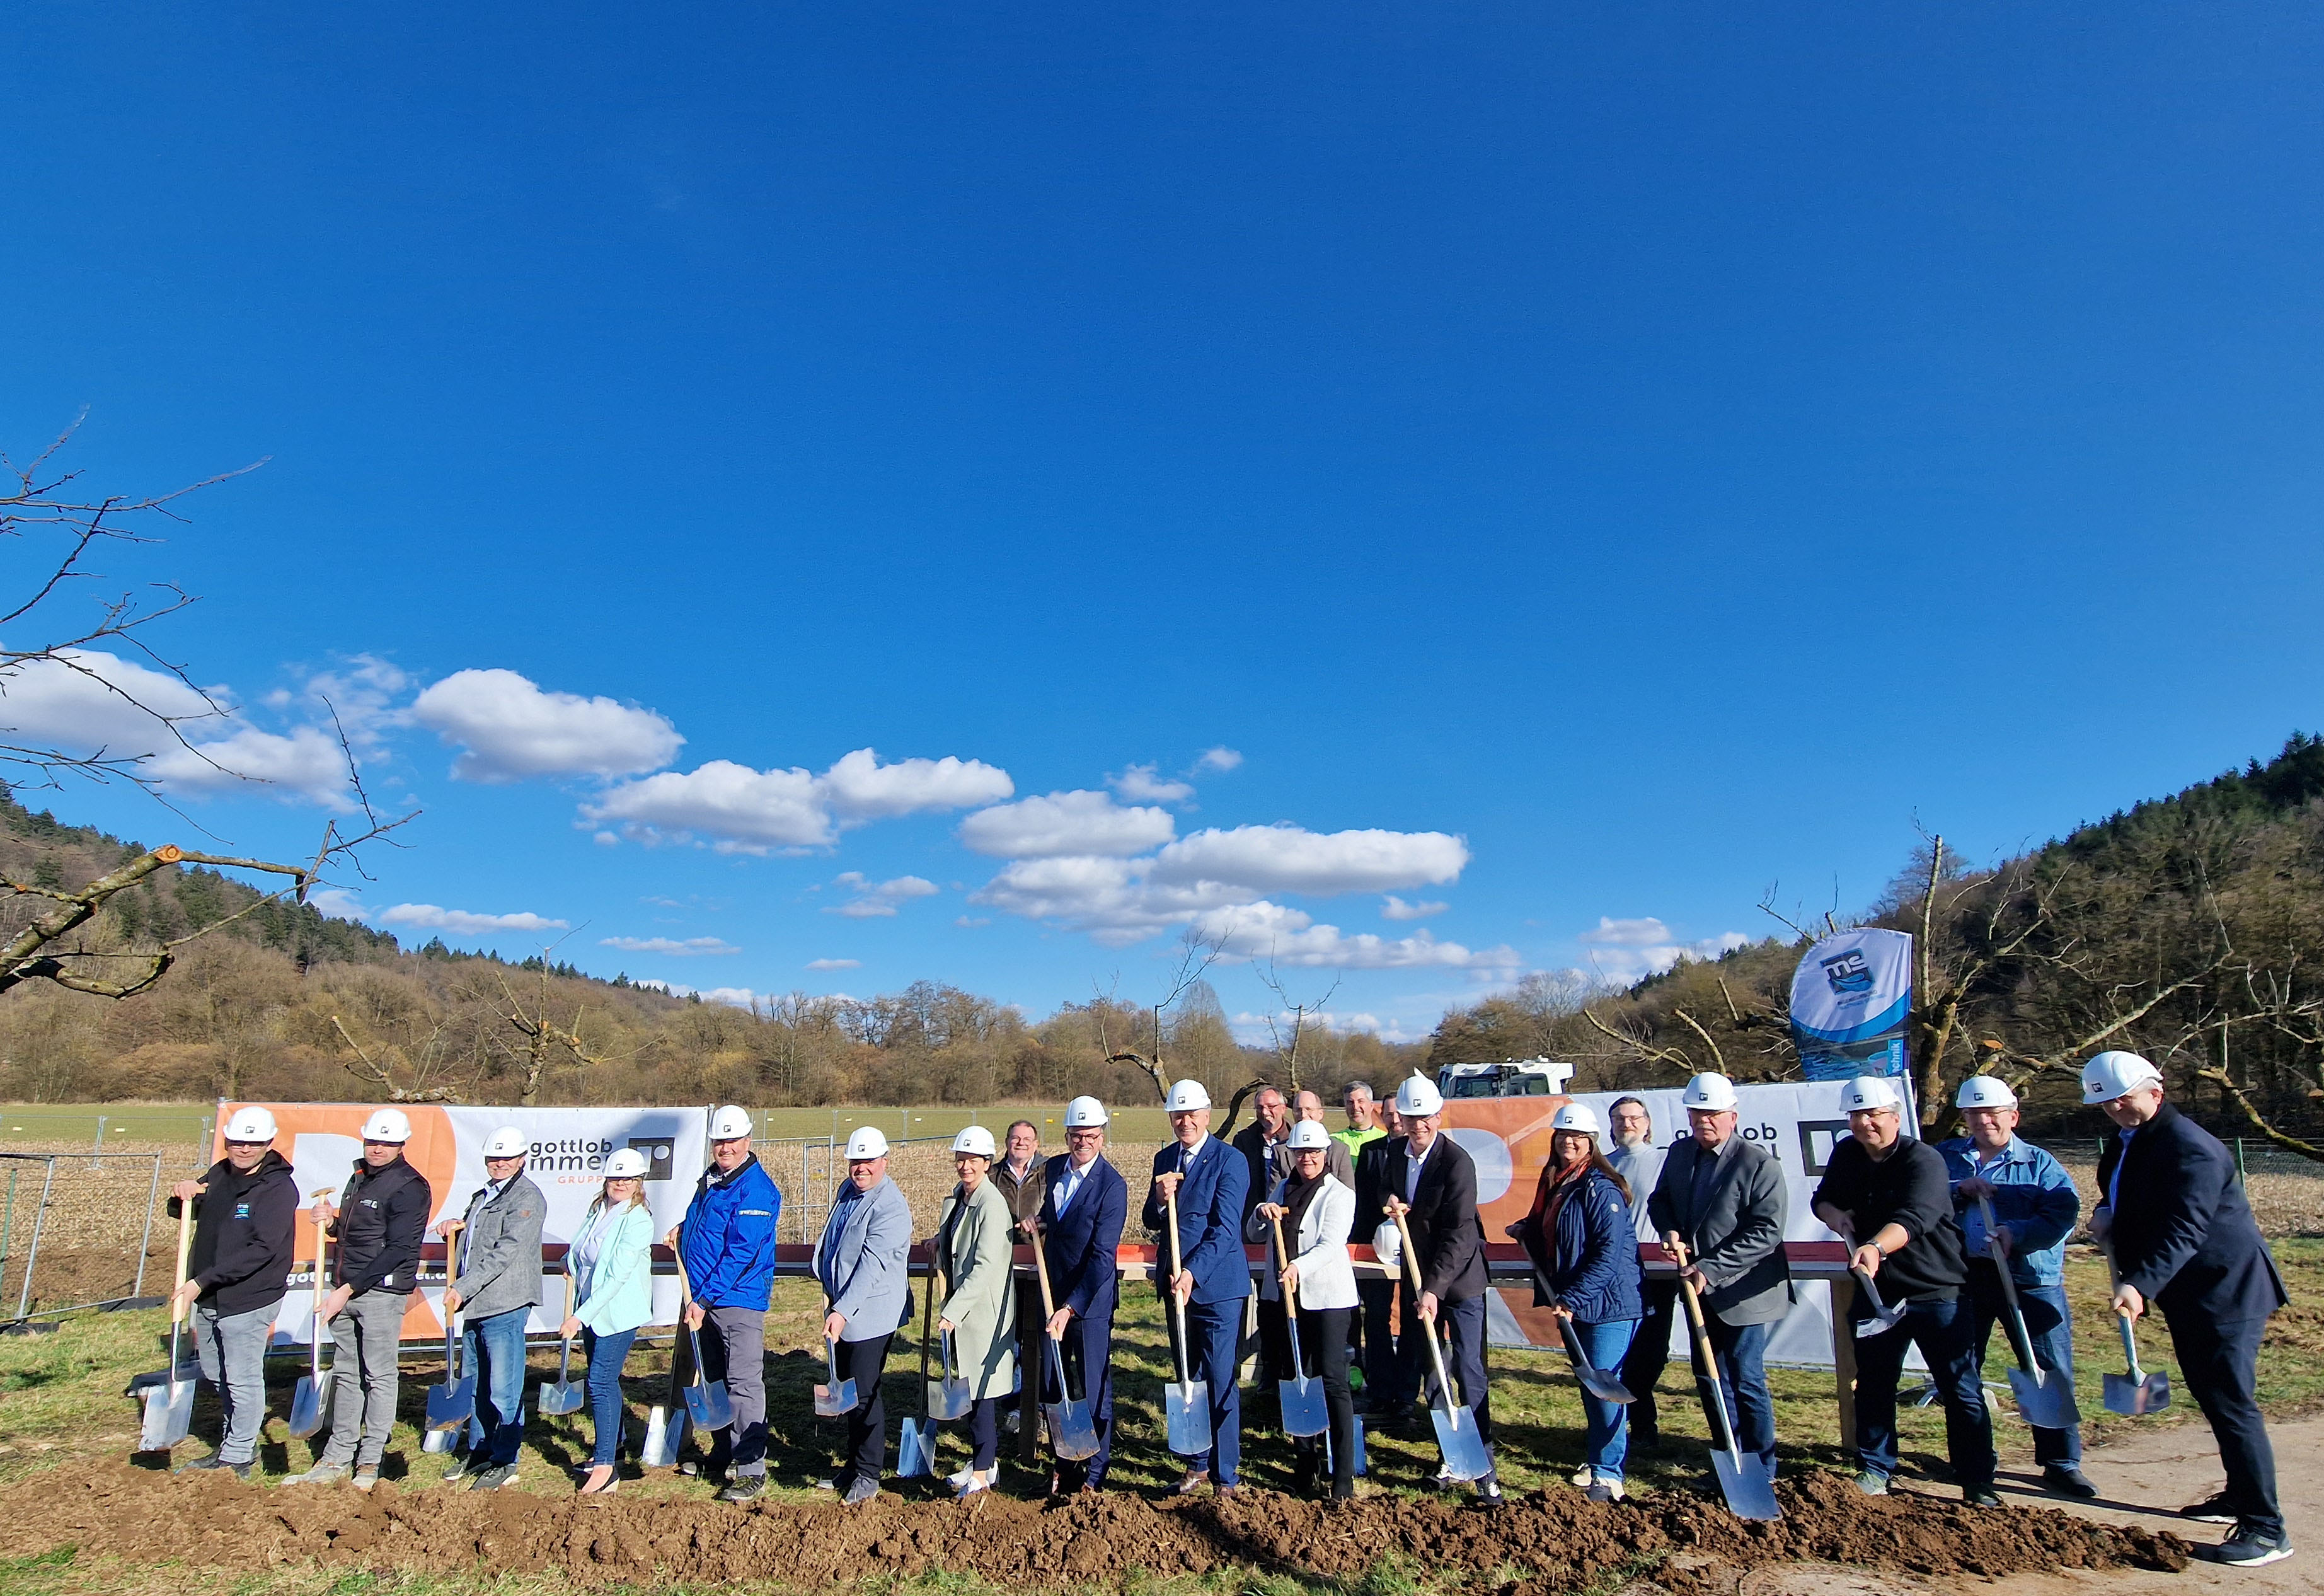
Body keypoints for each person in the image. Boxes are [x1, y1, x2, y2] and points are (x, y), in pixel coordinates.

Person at [2087, 1050, 2293, 1568]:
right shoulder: (2129, 1138)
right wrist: (2106, 1212)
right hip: (2187, 1290)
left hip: (2224, 1290)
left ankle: (2267, 1529)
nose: (2115, 1111)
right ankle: (2237, 1495)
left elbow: (2186, 1228)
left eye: (2123, 1100)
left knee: (2231, 1401)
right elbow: (2120, 1186)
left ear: (2155, 1092)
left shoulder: (2192, 1148)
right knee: (2211, 1395)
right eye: (2107, 1104)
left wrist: (2140, 1285)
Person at [1812, 1075, 1996, 1507]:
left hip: (1937, 1290)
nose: (1864, 1124)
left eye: (1873, 1114)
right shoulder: (1847, 1155)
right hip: (1878, 1295)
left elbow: (1917, 1217)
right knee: (1874, 1381)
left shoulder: (1923, 1160)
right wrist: (1836, 1216)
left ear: (1894, 1117)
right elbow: (1822, 1199)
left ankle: (1976, 1477)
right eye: (1856, 1116)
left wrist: (1875, 1246)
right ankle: (1876, 1467)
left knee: (1958, 1385)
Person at [1938, 1075, 2091, 1498]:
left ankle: (2060, 1462)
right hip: (1965, 1275)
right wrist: (1958, 1190)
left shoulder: (2040, 1164)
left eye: (1992, 1113)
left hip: (2029, 1278)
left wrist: (2017, 1234)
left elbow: (2062, 1212)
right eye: (1973, 1113)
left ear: (2013, 1116)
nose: (1983, 1120)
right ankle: (1974, 1464)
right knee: (1961, 1369)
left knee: (2046, 1367)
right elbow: (1922, 1196)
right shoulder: (1946, 1157)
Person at [1647, 1072, 1790, 1488]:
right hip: (1698, 1291)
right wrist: (1670, 1230)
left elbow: (1766, 1232)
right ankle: (1730, 1459)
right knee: (1711, 1378)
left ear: (1732, 1116)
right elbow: (1661, 1201)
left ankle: (1762, 1469)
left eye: (1712, 1114)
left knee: (1746, 1379)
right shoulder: (1680, 1153)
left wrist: (1710, 1268)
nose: (1704, 1122)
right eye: (1697, 1114)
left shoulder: (1758, 1163)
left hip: (1744, 1289)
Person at [287, 1107, 434, 1490]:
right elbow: (362, 1234)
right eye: (373, 1141)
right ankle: (336, 1458)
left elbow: (399, 1248)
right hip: (346, 1288)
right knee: (348, 1374)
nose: (378, 1148)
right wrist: (333, 1223)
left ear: (402, 1144)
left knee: (379, 1375)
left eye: (387, 1143)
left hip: (380, 1293)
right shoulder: (359, 1178)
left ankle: (369, 1463)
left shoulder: (409, 1186)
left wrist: (347, 1291)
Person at [1381, 1073, 1504, 1508]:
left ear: (1439, 1116)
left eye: (1426, 1118)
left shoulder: (1457, 1162)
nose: (1419, 1127)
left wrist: (1434, 1289)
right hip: (1418, 1278)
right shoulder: (1396, 1153)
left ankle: (1486, 1468)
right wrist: (1392, 1202)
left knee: (1469, 1370)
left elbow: (1460, 1233)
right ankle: (1452, 1457)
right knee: (1432, 1369)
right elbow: (1387, 1191)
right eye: (1411, 1119)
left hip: (1460, 1281)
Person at [1512, 1101, 1642, 1501]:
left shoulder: (1601, 1187)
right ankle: (1598, 1458)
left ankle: (1609, 1472)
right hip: (1575, 1300)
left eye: (1578, 1137)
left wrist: (1574, 1297)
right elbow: (1558, 1236)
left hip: (1609, 1303)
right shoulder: (1557, 1182)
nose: (1569, 1141)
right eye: (1564, 1135)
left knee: (1604, 1385)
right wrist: (1527, 1230)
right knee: (1591, 1384)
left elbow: (1608, 1252)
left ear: (1592, 1142)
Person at [166, 1104, 298, 1479]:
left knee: (241, 1376)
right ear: (226, 1141)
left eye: (252, 1144)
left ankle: (239, 1456)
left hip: (249, 1296)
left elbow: (263, 1249)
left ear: (268, 1144)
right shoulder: (220, 1174)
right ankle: (232, 1442)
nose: (243, 1149)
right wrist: (184, 1194)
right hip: (209, 1295)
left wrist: (201, 1281)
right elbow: (184, 1210)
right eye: (236, 1142)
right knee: (216, 1371)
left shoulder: (278, 1189)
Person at [1144, 1077, 1250, 1496]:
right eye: (1178, 1114)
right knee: (1188, 1377)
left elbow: (1226, 1230)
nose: (1185, 1121)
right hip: (1176, 1287)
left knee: (1221, 1379)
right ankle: (1196, 1464)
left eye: (1192, 1114)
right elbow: (1153, 1221)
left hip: (1216, 1288)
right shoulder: (1165, 1158)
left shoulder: (1230, 1160)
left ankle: (1226, 1475)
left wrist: (1193, 1273)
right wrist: (1158, 1198)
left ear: (1207, 1116)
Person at [674, 1104, 782, 1502]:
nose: (726, 1147)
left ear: (748, 1141)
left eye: (732, 1140)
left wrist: (702, 1299)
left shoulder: (757, 1190)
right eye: (720, 1141)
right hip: (703, 1298)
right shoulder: (713, 1181)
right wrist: (682, 1231)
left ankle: (751, 1467)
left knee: (743, 1384)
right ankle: (723, 1452)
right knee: (715, 1380)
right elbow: (705, 1225)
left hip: (736, 1301)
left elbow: (740, 1254)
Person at [1250, 1119, 1359, 1499]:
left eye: (1314, 1152)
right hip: (1285, 1298)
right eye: (1300, 1152)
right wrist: (1262, 1213)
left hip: (1327, 1300)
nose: (1307, 1158)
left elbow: (1331, 1246)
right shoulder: (1283, 1188)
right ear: (1292, 1155)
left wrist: (1298, 1267)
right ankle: (1305, 1465)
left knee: (1332, 1382)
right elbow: (1254, 1233)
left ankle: (1342, 1475)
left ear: (1325, 1154)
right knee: (1297, 1380)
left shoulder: (1339, 1195)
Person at [438, 1126, 546, 1490]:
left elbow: (506, 1251)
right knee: (476, 1384)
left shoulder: (526, 1197)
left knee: (503, 1386)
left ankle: (505, 1458)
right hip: (475, 1303)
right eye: (493, 1158)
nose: (499, 1163)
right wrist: (459, 1226)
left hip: (505, 1302)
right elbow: (479, 1239)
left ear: (522, 1160)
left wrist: (462, 1286)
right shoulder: (484, 1195)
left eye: (507, 1158)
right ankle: (480, 1451)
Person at [1031, 1095, 1127, 1494]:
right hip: (1052, 1294)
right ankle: (1063, 1463)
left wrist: (1071, 1308)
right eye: (1075, 1135)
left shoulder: (1112, 1186)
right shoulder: (1052, 1169)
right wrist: (1040, 1222)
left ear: (1102, 1136)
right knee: (1054, 1385)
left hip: (1088, 1304)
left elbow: (1103, 1257)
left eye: (1090, 1135)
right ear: (1067, 1135)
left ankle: (1093, 1471)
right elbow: (1059, 1219)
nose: (1082, 1142)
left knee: (1092, 1387)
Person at [814, 1126, 912, 1506]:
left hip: (872, 1311)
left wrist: (841, 1310)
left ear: (884, 1161)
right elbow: (834, 1238)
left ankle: (869, 1474)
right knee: (850, 1389)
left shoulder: (890, 1206)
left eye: (868, 1161)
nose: (861, 1168)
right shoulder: (847, 1192)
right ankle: (853, 1466)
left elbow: (871, 1267)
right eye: (856, 1162)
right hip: (843, 1305)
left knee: (866, 1392)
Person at [563, 1147, 655, 1495]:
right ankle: (612, 1449)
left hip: (617, 1313)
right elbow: (586, 1251)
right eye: (616, 1177)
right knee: (603, 1381)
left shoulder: (638, 1220)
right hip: (591, 1308)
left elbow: (616, 1278)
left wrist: (578, 1317)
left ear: (639, 1182)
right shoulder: (599, 1209)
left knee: (600, 1381)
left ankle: (605, 1468)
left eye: (628, 1179)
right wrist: (568, 1261)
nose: (621, 1183)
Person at [935, 1126, 1018, 1498]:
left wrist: (953, 1311)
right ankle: (983, 1461)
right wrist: (938, 1242)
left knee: (983, 1393)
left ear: (987, 1163)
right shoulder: (958, 1198)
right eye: (961, 1159)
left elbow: (984, 1267)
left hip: (982, 1313)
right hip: (962, 1311)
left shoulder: (992, 1204)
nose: (965, 1166)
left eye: (973, 1160)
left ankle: (984, 1471)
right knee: (970, 1393)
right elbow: (956, 1242)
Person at [1604, 1096, 1674, 1450]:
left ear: (1647, 1123)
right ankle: (1632, 1426)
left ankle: (1643, 1420)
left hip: (1660, 1275)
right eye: (1619, 1118)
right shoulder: (1604, 1166)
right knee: (1621, 1353)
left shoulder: (1666, 1161)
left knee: (1652, 1351)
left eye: (1633, 1118)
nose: (1626, 1124)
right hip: (1616, 1275)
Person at [1335, 1081, 1389, 1391]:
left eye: (1360, 1102)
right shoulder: (1333, 1141)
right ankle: (1352, 1367)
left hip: (1373, 1236)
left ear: (1371, 1105)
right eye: (1348, 1102)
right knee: (1347, 1308)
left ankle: (1381, 1373)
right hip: (1343, 1236)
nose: (1355, 1107)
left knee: (1377, 1310)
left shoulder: (1384, 1142)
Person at [1351, 1096, 1404, 1409]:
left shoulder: (1424, 1155)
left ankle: (1407, 1391)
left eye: (1399, 1114)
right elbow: (1361, 1205)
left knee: (1413, 1321)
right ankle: (1381, 1385)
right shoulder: (1372, 1152)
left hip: (1417, 1251)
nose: (1395, 1121)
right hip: (1377, 1249)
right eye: (1389, 1115)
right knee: (1377, 1317)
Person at [992, 1119, 1047, 1227]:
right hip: (1002, 1243)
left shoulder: (1050, 1172)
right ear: (1007, 1142)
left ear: (1036, 1145)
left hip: (1039, 1242)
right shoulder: (991, 1175)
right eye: (1015, 1138)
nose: (1021, 1143)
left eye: (1027, 1139)